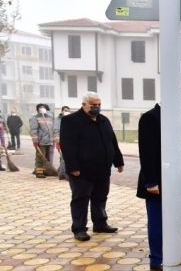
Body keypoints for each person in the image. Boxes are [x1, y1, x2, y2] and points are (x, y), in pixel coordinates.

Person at [60, 92, 124, 241]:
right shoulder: (71, 121)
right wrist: (73, 167)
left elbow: (112, 142)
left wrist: (118, 161)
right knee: (81, 199)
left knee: (100, 197)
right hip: (81, 171)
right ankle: (79, 228)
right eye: (93, 105)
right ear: (84, 105)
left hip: (102, 169)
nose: (96, 108)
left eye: (98, 105)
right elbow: (67, 146)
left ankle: (100, 223)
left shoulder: (103, 120)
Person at [136, 93, 181, 271]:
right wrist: (150, 182)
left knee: (173, 221)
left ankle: (171, 254)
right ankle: (157, 258)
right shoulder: (150, 118)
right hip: (157, 182)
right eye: (177, 98)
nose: (180, 102)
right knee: (157, 221)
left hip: (172, 180)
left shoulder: (171, 118)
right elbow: (146, 152)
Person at [29, 103, 55, 178]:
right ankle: (39, 172)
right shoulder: (35, 118)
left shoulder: (50, 117)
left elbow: (52, 129)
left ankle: (46, 171)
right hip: (41, 141)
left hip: (49, 141)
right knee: (40, 157)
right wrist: (35, 141)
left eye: (44, 107)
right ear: (38, 109)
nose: (42, 108)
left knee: (47, 158)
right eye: (40, 107)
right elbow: (33, 130)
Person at [54, 106, 71, 180]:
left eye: (68, 110)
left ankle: (62, 173)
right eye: (65, 110)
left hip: (70, 141)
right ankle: (64, 174)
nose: (66, 111)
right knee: (64, 157)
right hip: (61, 141)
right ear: (62, 111)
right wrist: (58, 141)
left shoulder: (71, 119)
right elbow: (56, 130)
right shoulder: (58, 120)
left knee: (65, 158)